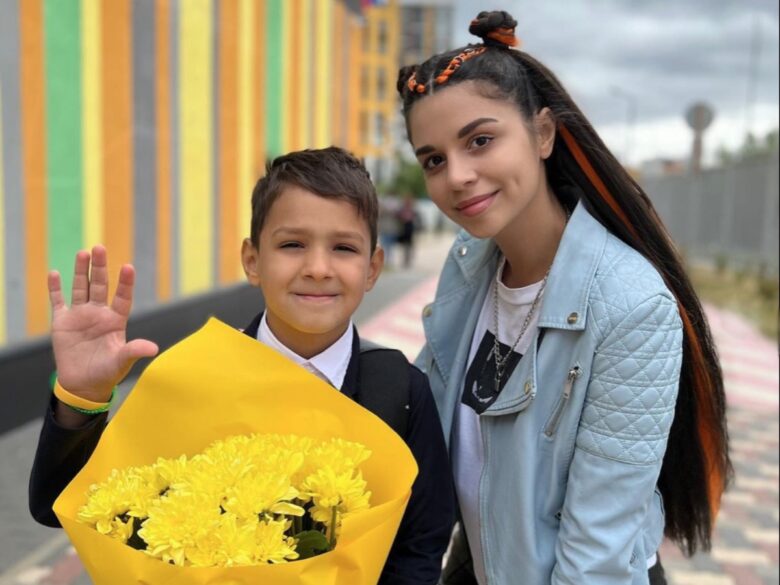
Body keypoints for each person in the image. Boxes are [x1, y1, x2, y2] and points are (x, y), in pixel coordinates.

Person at [397, 10, 731, 585]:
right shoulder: (471, 263)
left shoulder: (630, 305)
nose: (457, 176)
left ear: (544, 134)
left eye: (480, 140)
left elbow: (595, 555)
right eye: (434, 159)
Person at [28, 147, 455, 584]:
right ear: (252, 260)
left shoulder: (400, 392)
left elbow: (421, 541)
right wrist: (81, 397)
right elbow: (61, 506)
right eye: (292, 245)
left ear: (372, 268)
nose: (318, 268)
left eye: (344, 248)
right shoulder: (192, 377)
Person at [395, 195, 419, 269]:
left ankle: (408, 259)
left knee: (409, 245)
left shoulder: (412, 210)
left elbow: (416, 218)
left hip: (409, 228)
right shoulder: (402, 210)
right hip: (404, 228)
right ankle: (405, 259)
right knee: (405, 245)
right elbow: (398, 216)